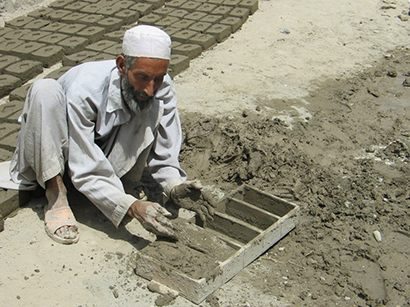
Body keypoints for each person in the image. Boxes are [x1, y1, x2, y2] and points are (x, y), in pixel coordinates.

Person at [7, 25, 213, 244]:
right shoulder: (84, 91)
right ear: (122, 65)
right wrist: (131, 207)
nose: (150, 88)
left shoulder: (161, 88)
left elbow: (166, 145)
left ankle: (124, 184)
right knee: (44, 90)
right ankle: (55, 194)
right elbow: (84, 164)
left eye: (158, 78)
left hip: (99, 150)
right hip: (62, 150)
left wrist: (173, 184)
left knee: (146, 103)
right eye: (142, 77)